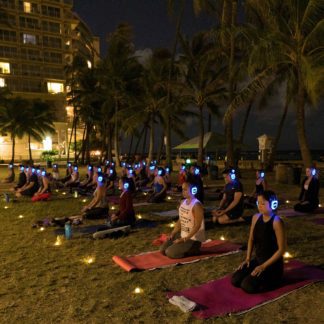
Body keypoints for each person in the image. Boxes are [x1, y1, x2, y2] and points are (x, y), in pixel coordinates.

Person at [231, 191, 286, 293]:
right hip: (258, 260)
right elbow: (251, 239)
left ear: (273, 204)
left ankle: (273, 280)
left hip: (271, 265)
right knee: (235, 280)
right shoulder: (256, 217)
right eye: (258, 203)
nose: (259, 206)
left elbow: (281, 250)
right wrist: (247, 259)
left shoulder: (276, 222)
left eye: (263, 203)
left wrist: (263, 266)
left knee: (247, 286)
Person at [160, 181, 205, 258]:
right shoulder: (183, 202)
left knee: (170, 253)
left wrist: (185, 239)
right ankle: (182, 247)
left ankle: (193, 250)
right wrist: (173, 233)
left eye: (185, 190)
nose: (183, 192)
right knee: (162, 250)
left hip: (193, 239)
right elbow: (180, 219)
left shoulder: (197, 205)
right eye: (182, 189)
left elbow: (197, 225)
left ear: (193, 190)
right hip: (182, 235)